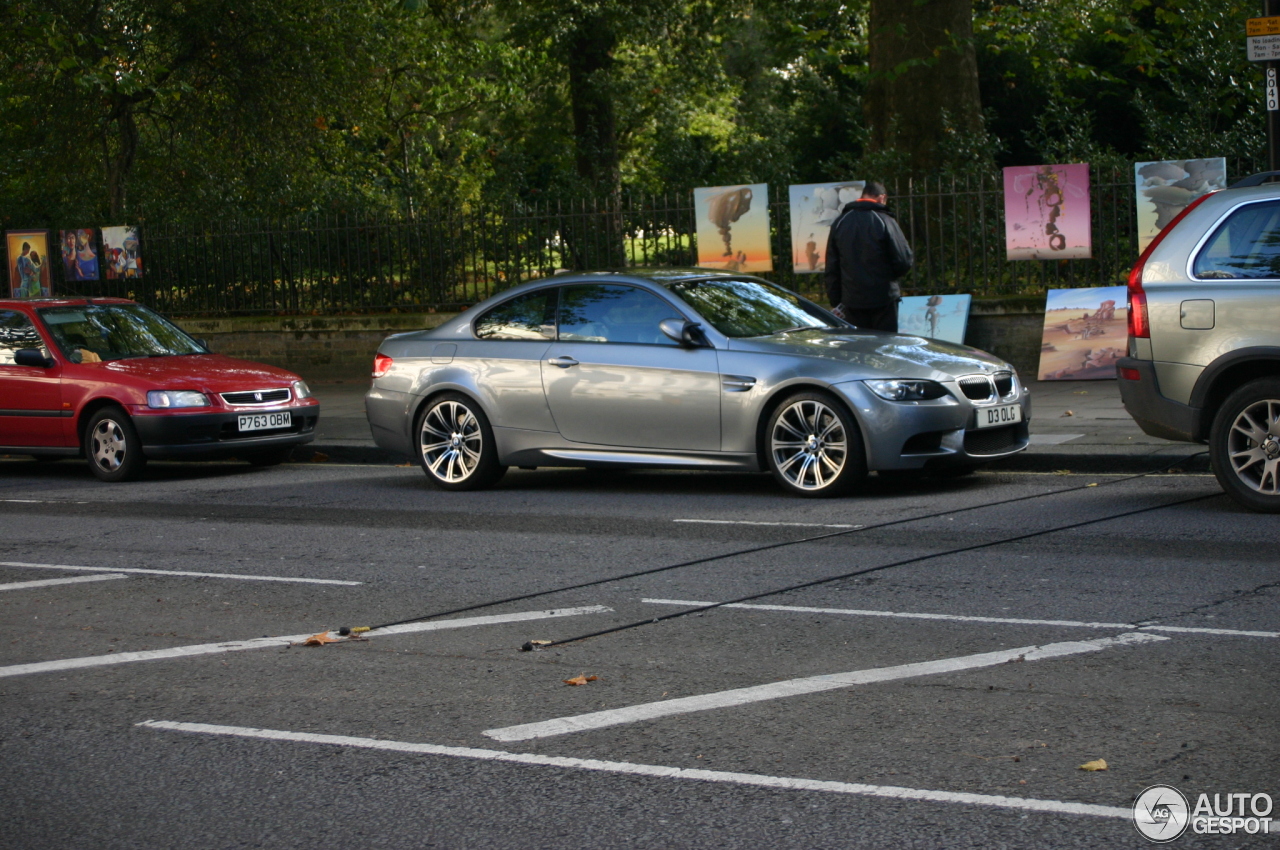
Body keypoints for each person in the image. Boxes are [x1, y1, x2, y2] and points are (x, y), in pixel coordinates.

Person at [823, 181, 913, 332]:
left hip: (852, 301)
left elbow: (832, 265)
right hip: (883, 297)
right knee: (885, 346)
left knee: (858, 349)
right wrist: (891, 279)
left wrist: (836, 299)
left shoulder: (840, 222)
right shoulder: (885, 220)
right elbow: (903, 260)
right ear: (882, 198)